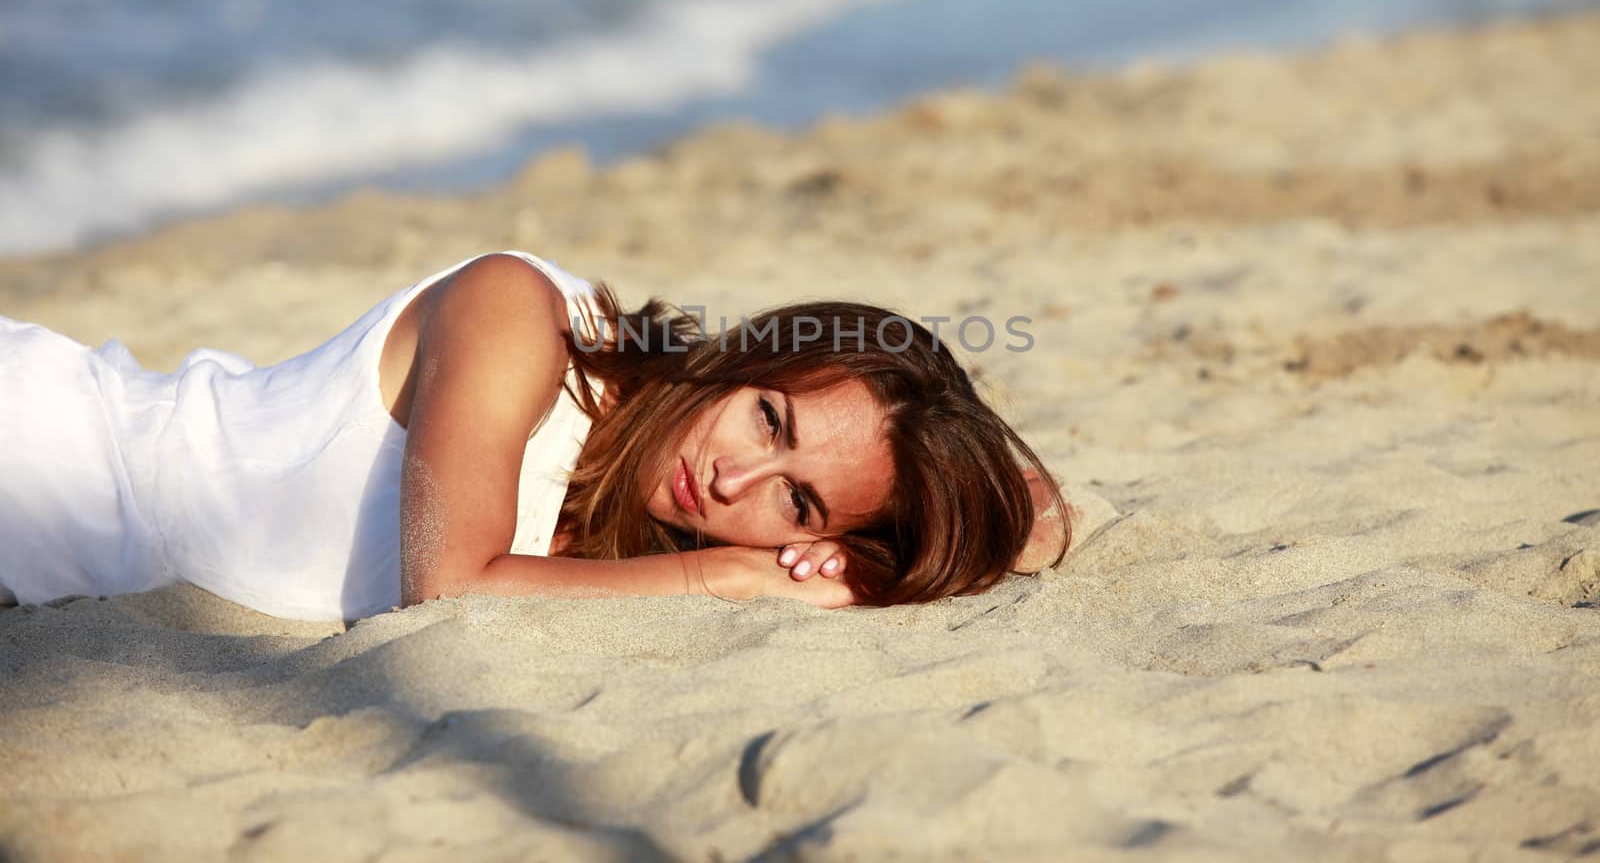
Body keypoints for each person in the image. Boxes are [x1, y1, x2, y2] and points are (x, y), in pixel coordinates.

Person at [0, 251, 1071, 620]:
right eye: (767, 415)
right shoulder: (520, 314)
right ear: (744, 360)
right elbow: (452, 590)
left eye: (793, 500)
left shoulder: (621, 531)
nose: (731, 473)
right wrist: (747, 576)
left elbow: (1034, 516)